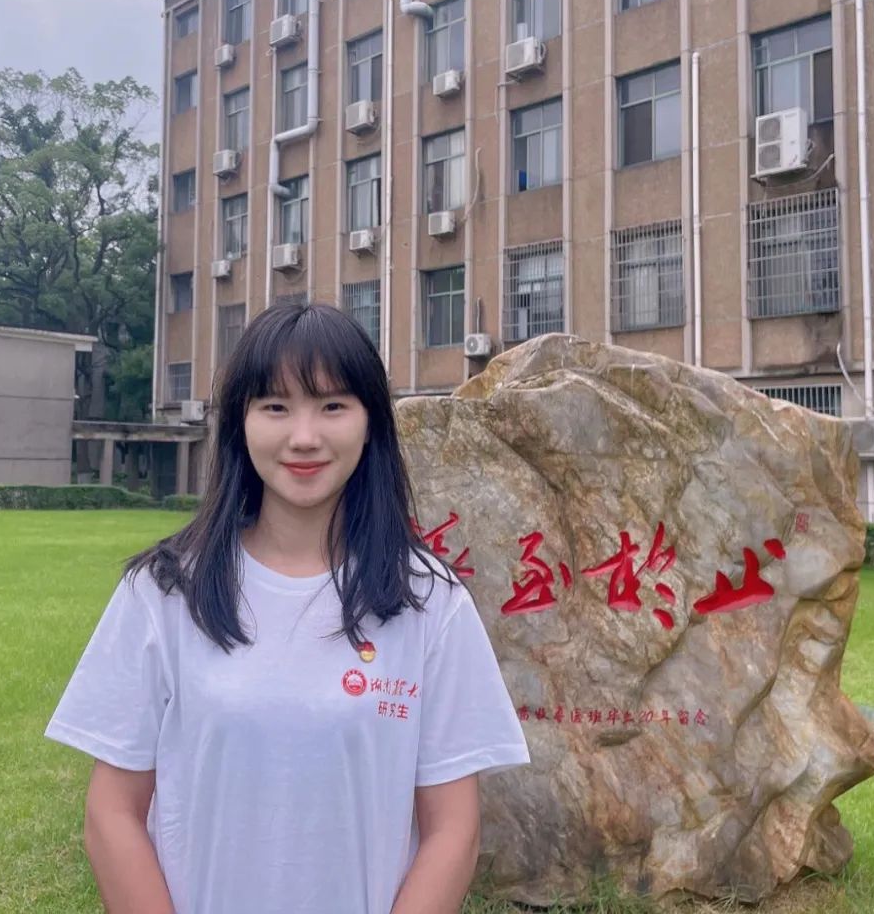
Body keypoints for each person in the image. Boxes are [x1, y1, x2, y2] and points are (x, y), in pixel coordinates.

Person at [44, 300, 530, 914]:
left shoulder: (429, 600)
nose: (304, 437)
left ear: (371, 423)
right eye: (275, 407)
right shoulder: (164, 592)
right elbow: (112, 813)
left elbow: (453, 830)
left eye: (332, 406)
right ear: (241, 423)